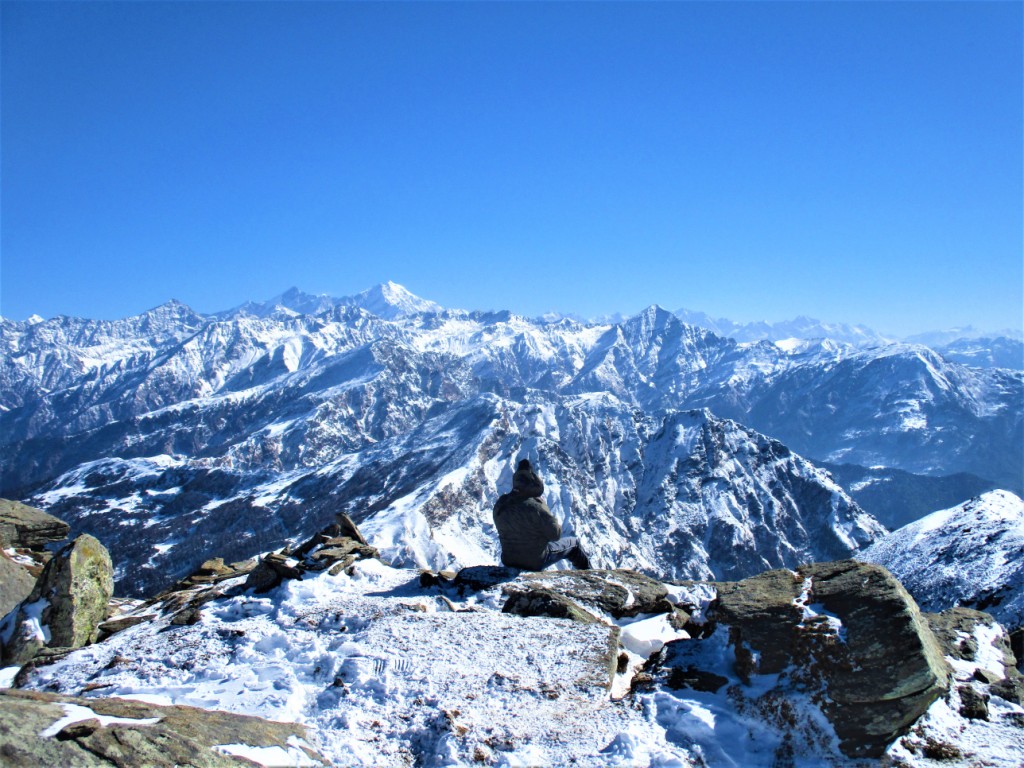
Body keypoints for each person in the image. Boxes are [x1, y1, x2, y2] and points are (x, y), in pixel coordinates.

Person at [492, 458, 591, 571]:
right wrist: (545, 510)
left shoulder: (502, 502)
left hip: (508, 560)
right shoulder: (536, 507)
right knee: (574, 544)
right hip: (534, 561)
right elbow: (555, 535)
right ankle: (589, 575)